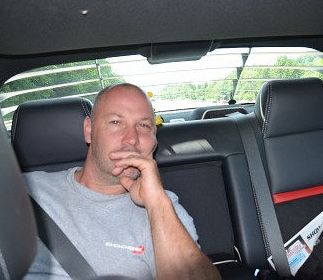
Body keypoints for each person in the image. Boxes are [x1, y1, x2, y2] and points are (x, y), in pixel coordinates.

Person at [23, 83, 221, 280]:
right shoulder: (23, 189)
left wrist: (157, 203)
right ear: (89, 130)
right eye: (116, 122)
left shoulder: (164, 208)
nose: (131, 139)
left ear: (154, 140)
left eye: (143, 125)